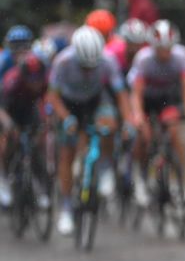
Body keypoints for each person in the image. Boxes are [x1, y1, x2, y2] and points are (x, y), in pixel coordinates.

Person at [48, 26, 131, 235]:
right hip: (68, 103)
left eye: (92, 66)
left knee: (109, 124)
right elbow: (52, 97)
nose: (88, 70)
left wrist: (128, 120)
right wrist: (66, 118)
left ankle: (104, 168)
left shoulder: (108, 61)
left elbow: (120, 95)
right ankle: (66, 208)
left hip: (95, 100)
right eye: (84, 66)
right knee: (66, 153)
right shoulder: (63, 62)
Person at [129, 19, 185, 205]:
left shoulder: (182, 56)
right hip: (147, 100)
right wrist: (138, 115)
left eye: (168, 48)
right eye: (160, 48)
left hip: (167, 99)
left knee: (173, 132)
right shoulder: (143, 58)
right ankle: (140, 177)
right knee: (143, 136)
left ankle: (182, 179)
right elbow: (137, 92)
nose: (165, 53)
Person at [0, 50, 50, 209]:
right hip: (9, 110)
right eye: (31, 79)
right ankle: (3, 180)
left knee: (38, 144)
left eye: (38, 79)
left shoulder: (45, 81)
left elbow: (48, 103)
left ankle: (41, 187)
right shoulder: (12, 81)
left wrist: (47, 122)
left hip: (30, 111)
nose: (35, 83)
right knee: (5, 139)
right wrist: (9, 124)